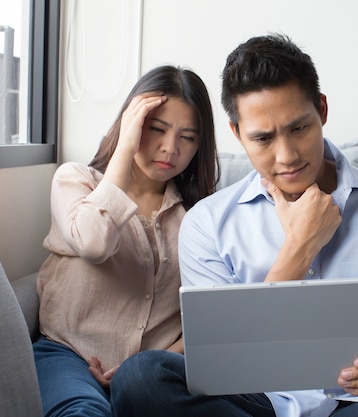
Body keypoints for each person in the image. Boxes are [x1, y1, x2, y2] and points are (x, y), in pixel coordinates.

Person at [109, 34, 358, 417]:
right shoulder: (207, 224)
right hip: (253, 401)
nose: (287, 155)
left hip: (357, 405)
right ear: (237, 134)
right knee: (141, 377)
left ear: (322, 110)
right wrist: (299, 247)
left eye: (299, 128)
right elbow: (226, 359)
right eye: (262, 137)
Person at [33, 65, 220, 417]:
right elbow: (92, 242)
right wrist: (124, 146)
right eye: (156, 129)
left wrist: (155, 363)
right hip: (68, 356)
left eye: (188, 137)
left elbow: (208, 317)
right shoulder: (76, 182)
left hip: (156, 374)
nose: (170, 148)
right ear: (131, 125)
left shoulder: (200, 216)